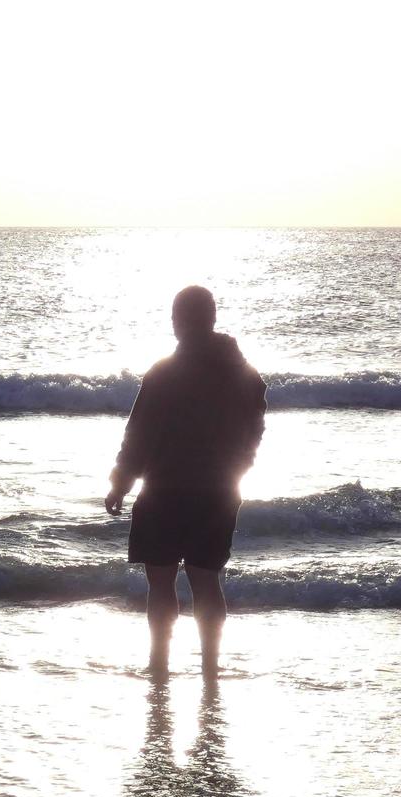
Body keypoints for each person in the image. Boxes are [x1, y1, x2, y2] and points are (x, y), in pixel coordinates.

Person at [105, 286, 267, 680]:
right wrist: (240, 466)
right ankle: (209, 669)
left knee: (161, 582)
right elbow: (255, 424)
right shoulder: (242, 373)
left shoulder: (163, 373)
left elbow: (138, 434)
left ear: (178, 321)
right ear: (211, 318)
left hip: (164, 489)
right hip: (218, 490)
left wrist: (121, 482)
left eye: (178, 317)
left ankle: (159, 665)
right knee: (206, 578)